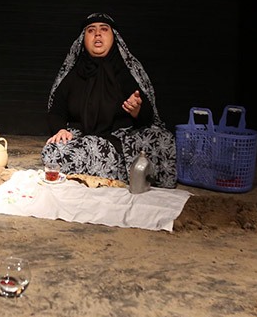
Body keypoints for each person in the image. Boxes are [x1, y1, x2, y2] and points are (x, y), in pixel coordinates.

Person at [42, 12, 177, 188]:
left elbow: (147, 118)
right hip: (83, 139)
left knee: (162, 139)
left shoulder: (126, 72)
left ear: (114, 37)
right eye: (91, 30)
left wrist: (137, 110)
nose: (97, 34)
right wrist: (60, 129)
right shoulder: (73, 74)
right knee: (53, 151)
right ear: (83, 39)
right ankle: (122, 173)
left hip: (122, 139)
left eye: (104, 29)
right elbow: (56, 111)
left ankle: (106, 171)